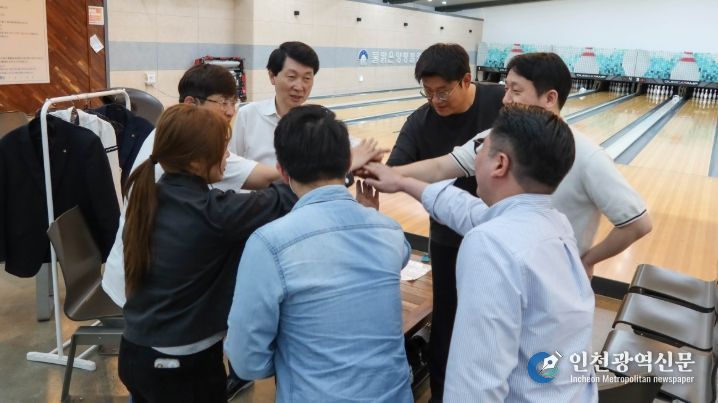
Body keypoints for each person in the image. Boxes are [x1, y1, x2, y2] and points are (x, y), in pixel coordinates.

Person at [364, 104, 597, 402]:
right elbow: (466, 210)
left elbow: (475, 386)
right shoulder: (554, 223)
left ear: (500, 164)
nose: (474, 158)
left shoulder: (490, 244)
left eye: (479, 148)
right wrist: (402, 182)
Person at [101, 63, 281, 399]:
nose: (231, 111)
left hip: (139, 340)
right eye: (222, 102)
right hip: (180, 360)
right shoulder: (209, 210)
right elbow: (273, 197)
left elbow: (256, 178)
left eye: (234, 102)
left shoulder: (165, 159)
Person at [388, 52, 652, 279]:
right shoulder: (495, 138)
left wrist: (588, 260)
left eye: (515, 91)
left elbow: (637, 223)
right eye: (506, 90)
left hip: (552, 279)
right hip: (500, 268)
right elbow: (440, 168)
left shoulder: (587, 156)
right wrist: (387, 174)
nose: (505, 100)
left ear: (549, 98)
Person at [225, 105, 413, 403]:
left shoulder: (269, 244)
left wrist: (291, 363)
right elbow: (396, 256)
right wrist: (368, 216)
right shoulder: (389, 231)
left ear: (282, 171)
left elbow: (245, 359)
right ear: (346, 165)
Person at [385, 43, 504, 400]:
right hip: (448, 235)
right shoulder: (420, 121)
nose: (435, 100)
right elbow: (395, 169)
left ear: (467, 80)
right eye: (428, 91)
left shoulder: (502, 102)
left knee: (492, 317)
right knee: (448, 319)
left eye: (443, 91)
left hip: (500, 231)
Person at [229, 41, 319, 166]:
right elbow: (232, 165)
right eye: (292, 76)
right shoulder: (248, 115)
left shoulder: (319, 124)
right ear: (272, 76)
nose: (299, 87)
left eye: (307, 78)